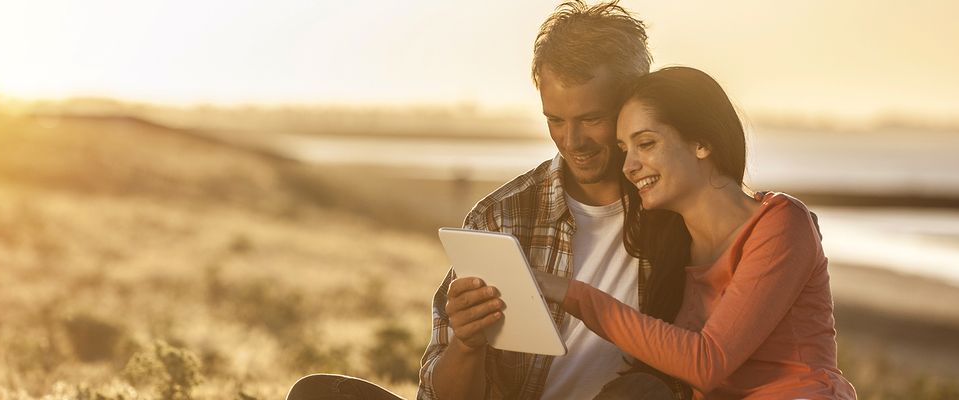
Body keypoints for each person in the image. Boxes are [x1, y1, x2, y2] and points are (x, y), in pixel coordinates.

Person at [287, 1, 690, 399]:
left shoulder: (683, 212)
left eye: (591, 119)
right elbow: (439, 395)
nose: (573, 141)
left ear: (633, 103)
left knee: (644, 391)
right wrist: (467, 343)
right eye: (555, 120)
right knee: (316, 393)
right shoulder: (501, 217)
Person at [532, 66, 858, 399]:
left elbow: (706, 361)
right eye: (624, 149)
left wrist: (572, 293)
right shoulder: (673, 244)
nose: (629, 166)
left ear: (701, 143)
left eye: (645, 143)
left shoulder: (782, 223)